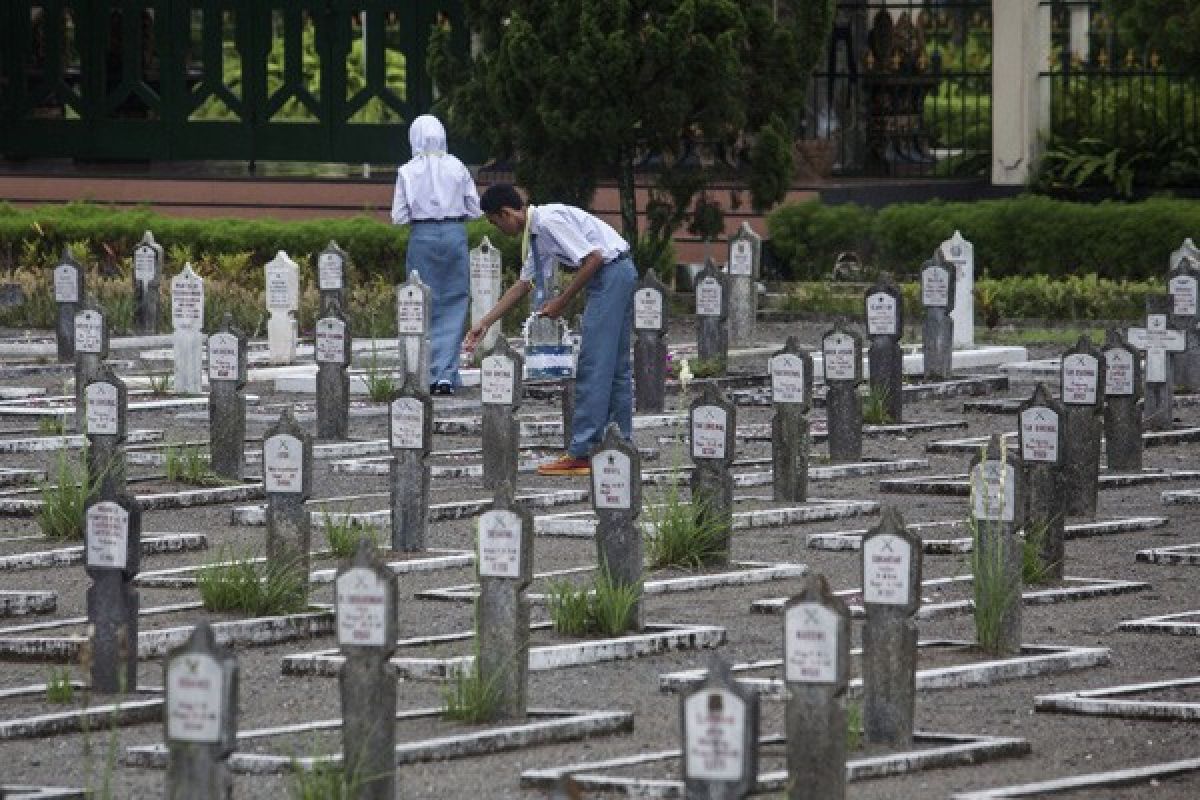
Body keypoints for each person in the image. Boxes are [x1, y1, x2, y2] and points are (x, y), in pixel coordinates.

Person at [465, 184, 636, 477]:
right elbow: (524, 284)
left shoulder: (548, 222)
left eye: (496, 222)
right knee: (616, 367)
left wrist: (562, 301)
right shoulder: (536, 232)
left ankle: (583, 451)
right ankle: (619, 443)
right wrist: (485, 322)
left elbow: (593, 258)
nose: (498, 229)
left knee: (594, 363)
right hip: (619, 272)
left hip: (610, 274)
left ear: (506, 213)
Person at [391, 114, 482, 394]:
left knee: (422, 302)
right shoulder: (458, 167)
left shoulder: (407, 171)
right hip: (455, 233)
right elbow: (475, 208)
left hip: (422, 235)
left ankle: (426, 371)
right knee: (455, 301)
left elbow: (398, 216)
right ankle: (446, 373)